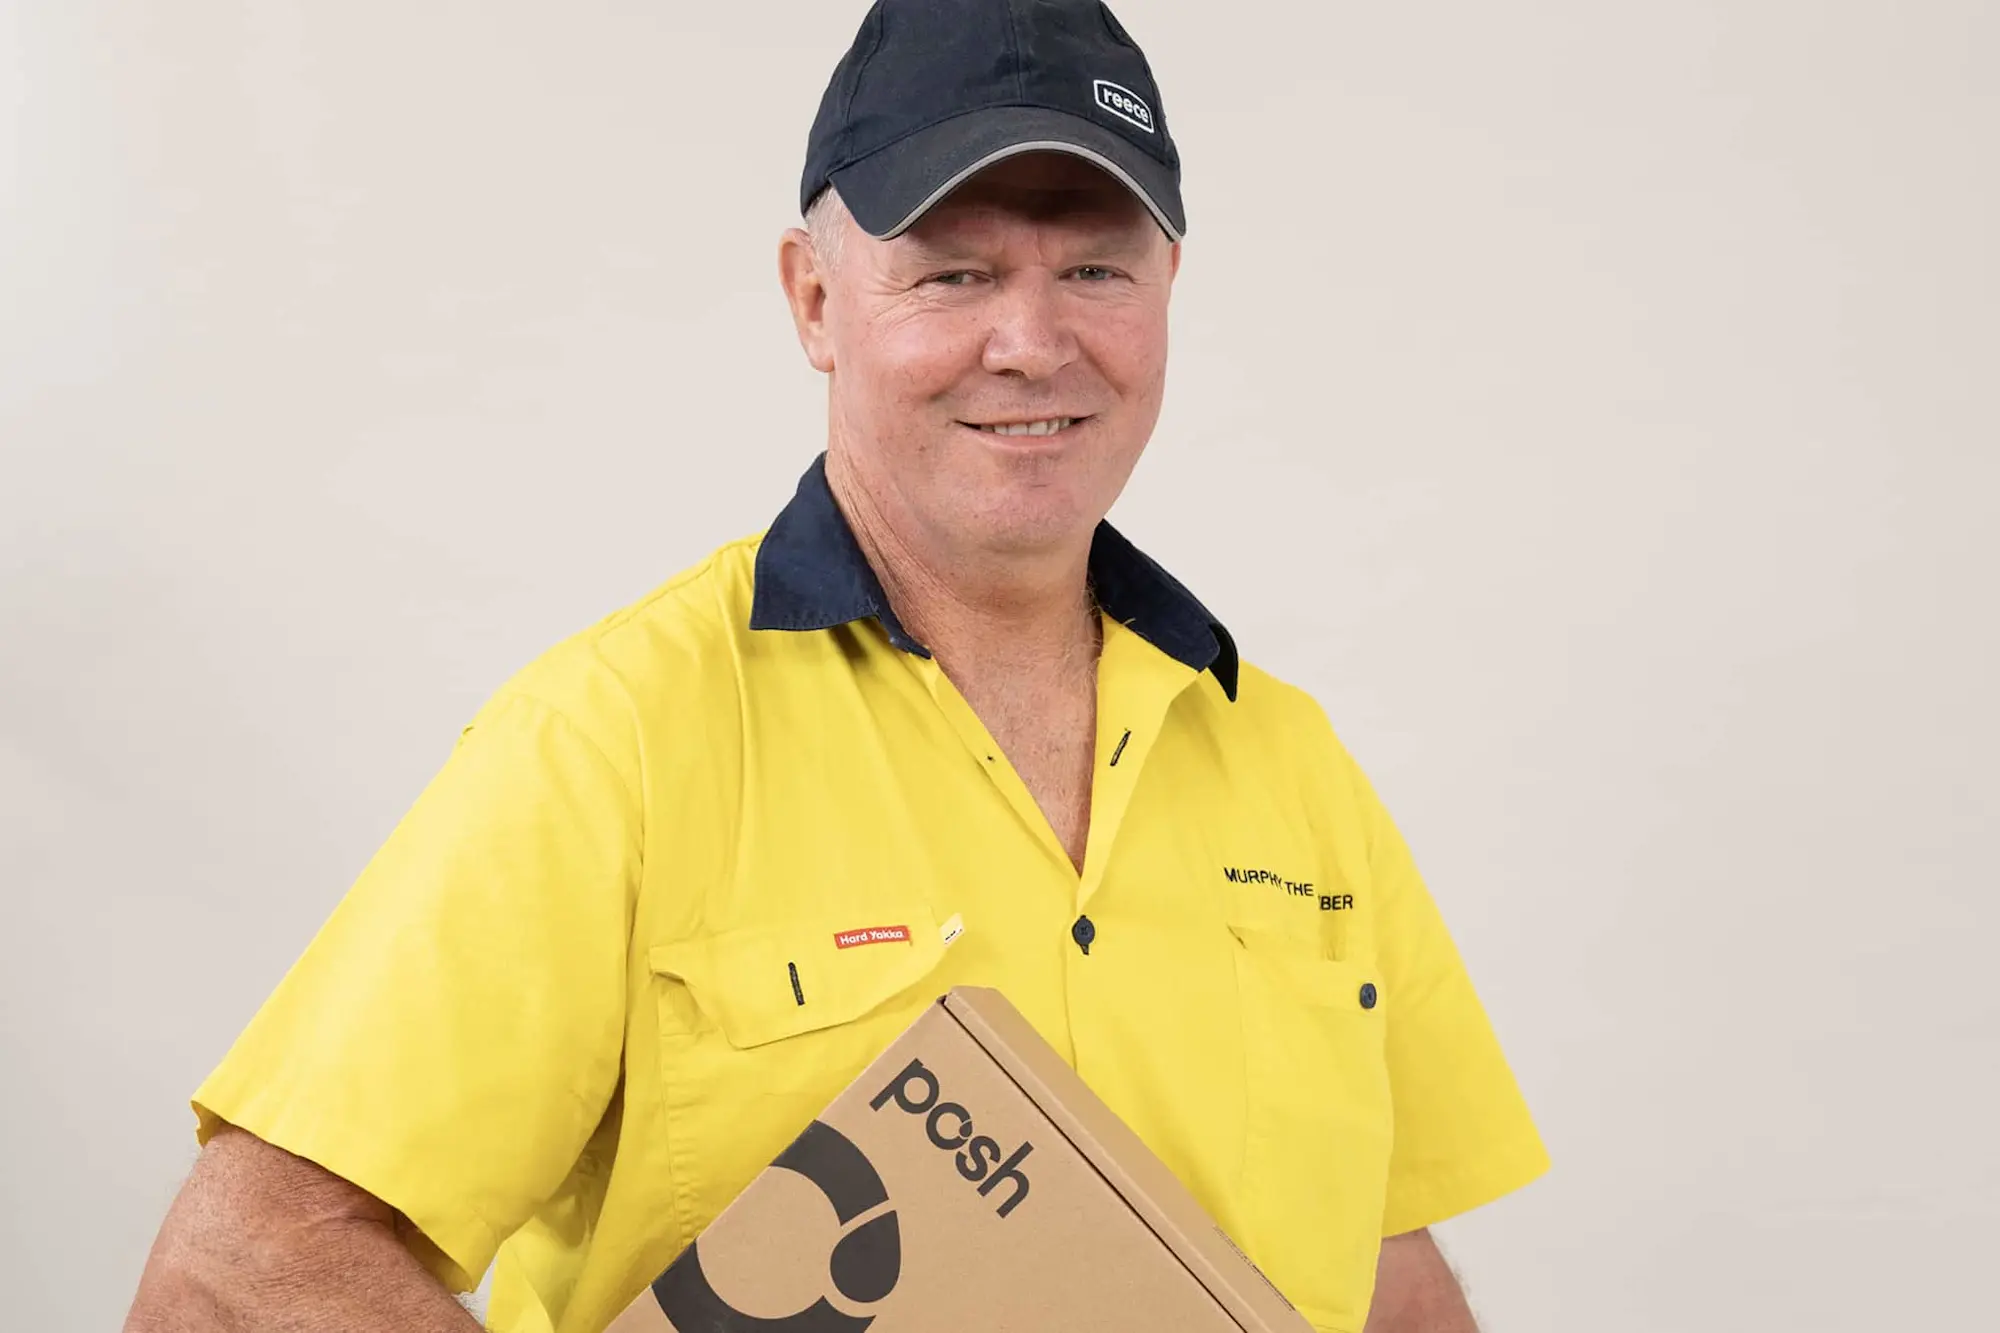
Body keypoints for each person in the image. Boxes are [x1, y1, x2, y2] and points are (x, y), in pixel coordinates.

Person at [124, 2, 1548, 1330]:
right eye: (956, 273)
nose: (1033, 343)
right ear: (814, 299)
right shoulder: (618, 737)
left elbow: (1389, 1275)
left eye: (1096, 268)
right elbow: (238, 1274)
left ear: (1170, 286)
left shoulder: (1287, 764)